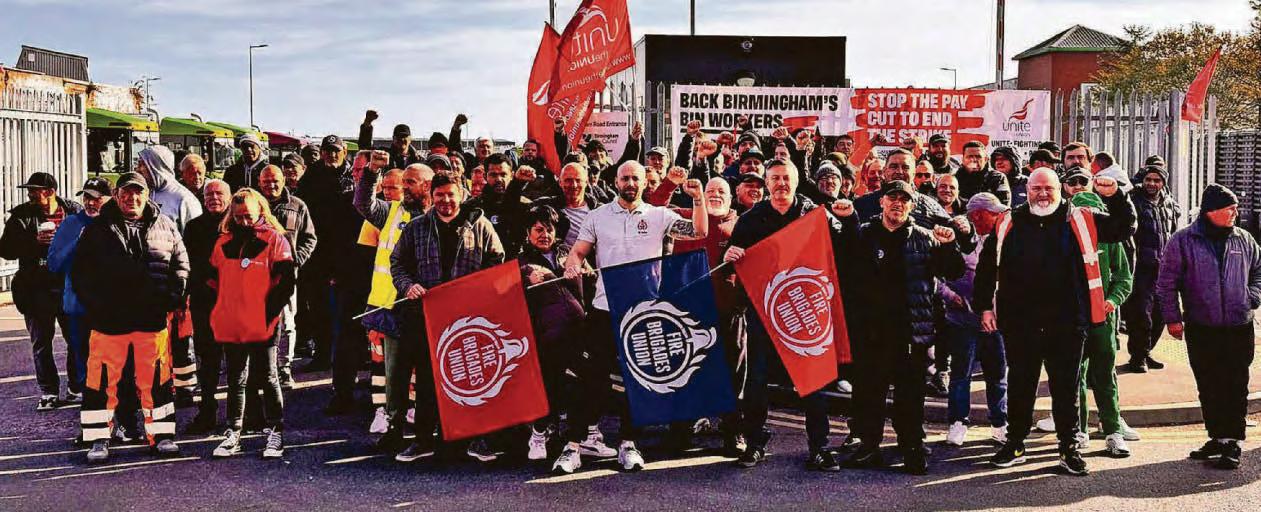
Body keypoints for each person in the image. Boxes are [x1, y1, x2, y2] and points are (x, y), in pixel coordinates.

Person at [974, 168, 1134, 476]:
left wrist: (1116, 196)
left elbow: (1123, 228)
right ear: (1028, 190)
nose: (1043, 194)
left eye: (1048, 188)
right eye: (1037, 189)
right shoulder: (1009, 221)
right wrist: (984, 308)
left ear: (1059, 189)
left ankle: (1068, 447)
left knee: (1066, 388)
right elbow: (985, 268)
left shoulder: (1081, 219)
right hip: (1021, 323)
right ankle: (1016, 444)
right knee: (1021, 385)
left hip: (1068, 323)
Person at [551, 161, 708, 474]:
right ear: (616, 181)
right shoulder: (598, 216)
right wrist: (571, 263)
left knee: (636, 384)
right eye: (625, 178)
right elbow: (579, 252)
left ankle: (628, 444)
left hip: (644, 312)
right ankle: (573, 447)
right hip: (603, 308)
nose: (631, 183)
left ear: (644, 182)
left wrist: (698, 197)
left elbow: (699, 231)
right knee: (589, 382)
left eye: (636, 178)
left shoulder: (659, 215)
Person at [834, 180, 964, 475]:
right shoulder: (864, 234)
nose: (897, 203)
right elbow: (842, 259)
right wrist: (847, 218)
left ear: (912, 205)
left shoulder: (925, 237)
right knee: (868, 394)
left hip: (911, 333)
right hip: (871, 333)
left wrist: (948, 245)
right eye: (892, 198)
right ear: (881, 202)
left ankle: (912, 449)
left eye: (904, 200)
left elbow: (953, 271)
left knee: (911, 397)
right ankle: (868, 447)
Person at [722, 159, 841, 472]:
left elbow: (843, 245)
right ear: (766, 181)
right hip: (762, 313)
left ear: (797, 180)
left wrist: (847, 218)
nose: (780, 184)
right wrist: (730, 254)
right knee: (757, 381)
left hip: (804, 309)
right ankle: (754, 443)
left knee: (813, 380)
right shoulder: (750, 219)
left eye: (786, 178)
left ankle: (820, 446)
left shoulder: (815, 214)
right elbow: (735, 255)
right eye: (774, 178)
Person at [389, 171, 507, 463]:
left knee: (472, 376)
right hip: (425, 317)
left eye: (450, 194)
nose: (445, 201)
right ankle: (423, 440)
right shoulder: (416, 227)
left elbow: (497, 259)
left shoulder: (479, 225)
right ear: (432, 196)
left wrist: (478, 290)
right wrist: (408, 286)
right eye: (439, 195)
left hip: (469, 318)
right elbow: (397, 263)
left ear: (461, 194)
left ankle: (477, 439)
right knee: (428, 379)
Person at [72, 172, 188, 462]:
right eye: (126, 193)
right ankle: (99, 438)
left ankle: (162, 436)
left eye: (138, 192)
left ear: (147, 195)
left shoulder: (166, 226)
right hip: (109, 322)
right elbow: (81, 275)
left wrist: (171, 300)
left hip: (151, 320)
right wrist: (98, 308)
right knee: (100, 382)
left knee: (158, 380)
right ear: (117, 196)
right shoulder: (97, 229)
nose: (132, 198)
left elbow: (181, 266)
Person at [1156, 184, 1259, 470]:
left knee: (1235, 383)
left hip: (1239, 325)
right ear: (1211, 211)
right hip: (1202, 326)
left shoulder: (1244, 239)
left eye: (1236, 208)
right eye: (1230, 209)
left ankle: (1233, 442)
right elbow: (1166, 283)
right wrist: (1172, 318)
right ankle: (1217, 436)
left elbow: (1258, 270)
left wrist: (1252, 295)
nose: (1235, 214)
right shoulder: (1183, 240)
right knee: (1208, 383)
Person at [207, 189, 296, 459]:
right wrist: (220, 310)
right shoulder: (223, 242)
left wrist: (268, 314)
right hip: (232, 322)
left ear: (261, 213)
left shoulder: (275, 240)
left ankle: (275, 431)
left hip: (264, 322)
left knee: (268, 376)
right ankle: (234, 431)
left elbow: (286, 283)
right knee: (236, 378)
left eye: (249, 216)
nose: (244, 221)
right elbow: (211, 281)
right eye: (239, 216)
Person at [354, 153, 432, 452]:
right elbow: (363, 204)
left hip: (425, 308)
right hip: (391, 307)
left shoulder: (439, 214)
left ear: (426, 186)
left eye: (411, 182)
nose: (404, 186)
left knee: (425, 375)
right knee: (394, 373)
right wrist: (373, 171)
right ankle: (394, 426)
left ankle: (426, 430)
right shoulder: (392, 212)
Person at [0, 172, 82, 410]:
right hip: (36, 288)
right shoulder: (21, 216)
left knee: (75, 339)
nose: (30, 194)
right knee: (41, 343)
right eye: (30, 190)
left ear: (50, 191)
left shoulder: (73, 211)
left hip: (68, 286)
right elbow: (5, 249)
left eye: (35, 190)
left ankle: (76, 387)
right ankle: (48, 392)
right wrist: (33, 241)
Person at [517, 206, 588, 461]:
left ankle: (586, 436)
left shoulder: (569, 254)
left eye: (548, 229)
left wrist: (585, 272)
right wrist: (526, 277)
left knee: (585, 382)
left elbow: (588, 281)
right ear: (528, 233)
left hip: (578, 331)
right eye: (538, 229)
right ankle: (537, 435)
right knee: (548, 386)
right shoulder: (521, 261)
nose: (544, 234)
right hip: (545, 337)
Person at [1069, 185, 1134, 458]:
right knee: (1075, 378)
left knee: (1105, 375)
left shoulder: (1111, 240)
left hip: (1103, 320)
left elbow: (1124, 278)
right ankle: (1079, 430)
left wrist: (1113, 301)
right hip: (1073, 320)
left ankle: (1112, 431)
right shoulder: (1066, 240)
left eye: (1093, 213)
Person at [942, 193, 1009, 448]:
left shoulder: (1005, 236)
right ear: (978, 215)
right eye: (994, 214)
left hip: (997, 320)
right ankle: (958, 422)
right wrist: (952, 297)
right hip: (963, 319)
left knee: (997, 374)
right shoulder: (956, 236)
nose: (998, 218)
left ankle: (1000, 423)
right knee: (961, 374)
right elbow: (939, 274)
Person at [46, 178, 112, 410]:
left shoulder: (117, 222)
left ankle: (116, 416)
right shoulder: (71, 224)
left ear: (110, 199)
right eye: (86, 198)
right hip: (78, 307)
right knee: (84, 361)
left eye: (97, 198)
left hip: (111, 308)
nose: (90, 203)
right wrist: (78, 241)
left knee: (114, 364)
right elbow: (53, 263)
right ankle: (91, 417)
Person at [257, 165, 318, 389]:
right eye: (266, 181)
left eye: (275, 181)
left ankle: (283, 369)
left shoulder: (297, 206)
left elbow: (310, 238)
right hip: (254, 276)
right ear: (259, 181)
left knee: (286, 323)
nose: (271, 185)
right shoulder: (252, 204)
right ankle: (263, 369)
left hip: (286, 277)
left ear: (284, 180)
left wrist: (296, 260)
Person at [1122, 164, 1182, 373]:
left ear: (1163, 183)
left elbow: (1173, 231)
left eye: (1157, 180)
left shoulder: (1170, 204)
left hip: (1163, 269)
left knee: (1161, 314)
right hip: (1141, 268)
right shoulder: (1133, 201)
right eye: (1149, 179)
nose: (1152, 184)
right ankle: (1137, 357)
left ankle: (1147, 351)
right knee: (1141, 315)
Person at [183, 180, 232, 434]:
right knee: (208, 359)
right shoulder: (194, 228)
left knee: (237, 361)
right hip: (205, 302)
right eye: (209, 194)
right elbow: (189, 264)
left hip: (236, 302)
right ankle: (208, 410)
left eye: (219, 193)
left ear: (229, 197)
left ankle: (239, 414)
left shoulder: (238, 224)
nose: (213, 198)